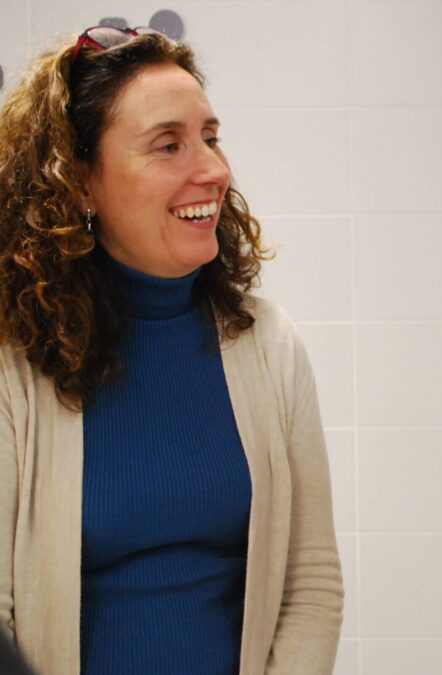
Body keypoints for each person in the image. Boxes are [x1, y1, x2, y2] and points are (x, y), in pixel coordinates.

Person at [0, 27, 344, 674]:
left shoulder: (269, 344)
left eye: (210, 137)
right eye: (168, 144)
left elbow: (312, 583)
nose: (213, 170)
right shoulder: (13, 364)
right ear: (79, 183)